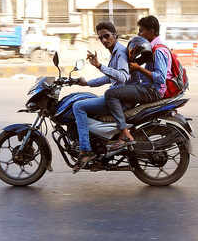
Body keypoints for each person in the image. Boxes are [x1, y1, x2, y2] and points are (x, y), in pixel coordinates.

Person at [104, 15, 171, 150]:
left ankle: (124, 134)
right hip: (148, 88)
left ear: (151, 31)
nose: (139, 34)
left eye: (141, 31)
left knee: (110, 94)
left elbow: (160, 78)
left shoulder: (158, 50)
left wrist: (139, 68)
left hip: (153, 91)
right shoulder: (150, 48)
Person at [72, 22, 129, 171]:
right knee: (84, 100)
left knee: (78, 106)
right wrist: (87, 83)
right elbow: (110, 78)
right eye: (101, 37)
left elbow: (122, 77)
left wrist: (99, 66)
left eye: (107, 36)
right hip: (117, 97)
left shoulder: (120, 52)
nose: (104, 40)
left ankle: (85, 150)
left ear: (115, 35)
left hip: (119, 100)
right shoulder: (115, 52)